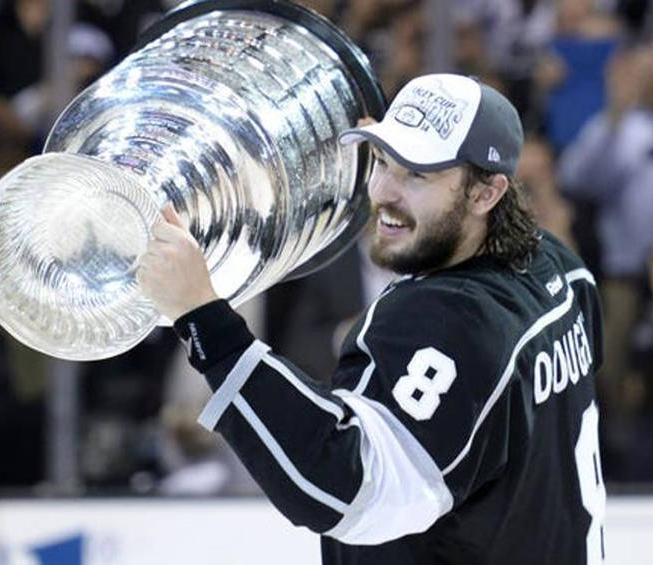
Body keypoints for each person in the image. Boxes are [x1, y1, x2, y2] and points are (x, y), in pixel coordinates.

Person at [139, 74, 606, 565]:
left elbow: (338, 485)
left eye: (417, 175)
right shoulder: (557, 265)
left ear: (485, 194)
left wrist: (204, 319)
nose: (382, 192)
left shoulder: (445, 318)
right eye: (382, 161)